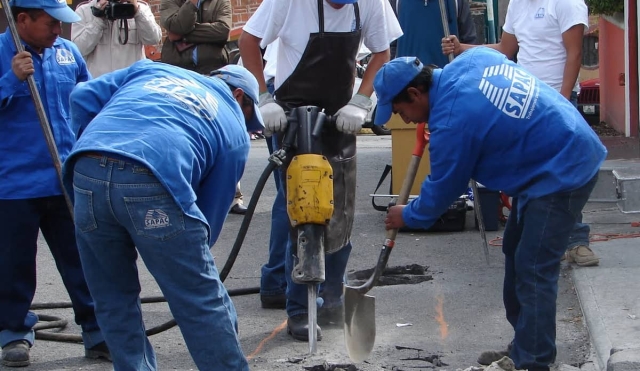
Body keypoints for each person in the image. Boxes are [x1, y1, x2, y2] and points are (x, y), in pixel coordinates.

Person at [376, 49, 606, 371]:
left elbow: (443, 188)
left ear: (416, 93)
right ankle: (525, 346)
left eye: (401, 112)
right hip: (549, 158)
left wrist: (408, 214)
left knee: (533, 266)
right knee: (515, 250)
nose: (406, 120)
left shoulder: (452, 121)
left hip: (563, 167)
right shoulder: (471, 61)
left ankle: (533, 361)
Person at [62, 62, 262, 370]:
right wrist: (186, 257)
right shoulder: (234, 127)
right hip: (153, 175)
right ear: (239, 96)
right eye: (250, 117)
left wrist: (98, 148)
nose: (247, 125)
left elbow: (81, 97)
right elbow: (211, 213)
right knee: (199, 299)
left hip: (86, 167)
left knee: (112, 294)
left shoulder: (150, 70)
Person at [239, 0, 402, 341]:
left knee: (339, 212)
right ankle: (299, 308)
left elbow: (382, 52)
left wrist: (360, 100)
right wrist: (264, 98)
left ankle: (332, 298)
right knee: (301, 214)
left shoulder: (371, 3)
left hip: (341, 115)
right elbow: (248, 40)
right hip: (291, 116)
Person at [441, 0, 599, 268]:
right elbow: (505, 49)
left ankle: (577, 241)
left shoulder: (566, 3)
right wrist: (462, 48)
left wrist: (562, 102)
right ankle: (548, 239)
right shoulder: (517, 4)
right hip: (524, 98)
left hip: (555, 100)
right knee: (530, 171)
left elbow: (574, 54)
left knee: (564, 172)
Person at [0, 0, 110, 367]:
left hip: (65, 175)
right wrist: (10, 80)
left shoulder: (68, 54)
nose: (57, 31)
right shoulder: (4, 54)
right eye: (50, 23)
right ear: (22, 20)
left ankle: (97, 331)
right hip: (13, 184)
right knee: (14, 264)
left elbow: (88, 102)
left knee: (83, 260)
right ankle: (14, 332)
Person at [71, 0, 162, 77]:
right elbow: (78, 50)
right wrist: (98, 21)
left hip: (130, 83)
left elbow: (153, 39)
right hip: (98, 85)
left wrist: (138, 13)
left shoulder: (140, 8)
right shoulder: (85, 11)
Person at [395, 0, 476, 66]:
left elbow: (469, 42)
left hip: (446, 78)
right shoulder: (395, 2)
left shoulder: (457, 2)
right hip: (407, 79)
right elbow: (390, 44)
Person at [160, 0, 231, 74]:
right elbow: (177, 26)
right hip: (178, 69)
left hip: (212, 67)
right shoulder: (170, 1)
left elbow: (222, 32)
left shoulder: (219, 1)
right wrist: (192, 3)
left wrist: (181, 35)